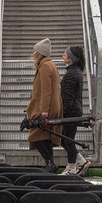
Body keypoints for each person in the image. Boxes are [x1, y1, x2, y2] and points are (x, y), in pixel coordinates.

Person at [26, 38, 63, 173]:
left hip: (46, 107)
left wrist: (43, 111)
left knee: (35, 135)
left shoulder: (45, 66)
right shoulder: (50, 65)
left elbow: (45, 91)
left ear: (39, 53)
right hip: (53, 105)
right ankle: (50, 163)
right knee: (45, 136)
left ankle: (50, 163)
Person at [60, 45, 91, 176]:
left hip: (71, 112)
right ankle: (80, 161)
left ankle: (72, 168)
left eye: (65, 54)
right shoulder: (77, 72)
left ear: (71, 58)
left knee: (67, 139)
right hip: (75, 110)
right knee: (66, 139)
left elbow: (67, 97)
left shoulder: (71, 75)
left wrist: (63, 111)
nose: (63, 55)